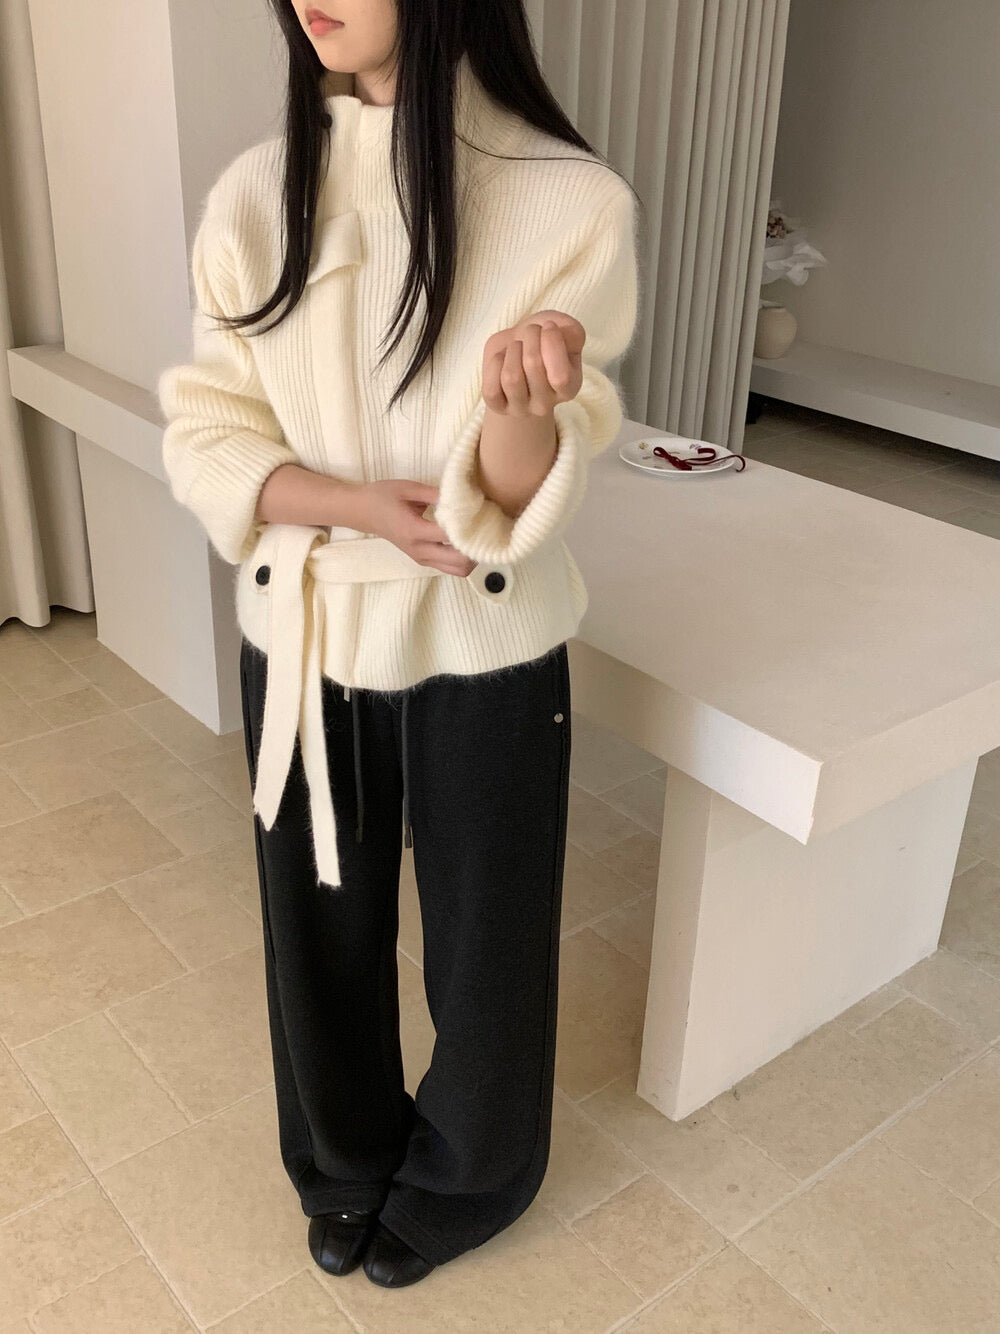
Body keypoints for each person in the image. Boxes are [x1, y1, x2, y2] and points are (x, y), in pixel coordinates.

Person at [157, 0, 641, 1291]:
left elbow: (519, 497)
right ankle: (340, 1157)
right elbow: (209, 430)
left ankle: (472, 1173)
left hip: (483, 634)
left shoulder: (570, 201)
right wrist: (353, 506)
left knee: (489, 936)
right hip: (307, 623)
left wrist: (522, 408)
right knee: (313, 923)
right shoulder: (255, 197)